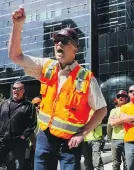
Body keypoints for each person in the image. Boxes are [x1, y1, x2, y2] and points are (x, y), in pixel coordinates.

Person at [9, 7, 107, 170]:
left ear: (75, 48)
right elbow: (15, 56)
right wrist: (17, 25)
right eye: (56, 41)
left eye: (64, 41)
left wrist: (82, 134)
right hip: (44, 139)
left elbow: (102, 110)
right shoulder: (46, 66)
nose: (58, 44)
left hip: (70, 143)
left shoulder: (86, 78)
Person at [0, 81, 37, 170]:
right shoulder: (5, 103)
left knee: (18, 166)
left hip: (18, 142)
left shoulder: (29, 106)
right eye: (14, 88)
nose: (16, 90)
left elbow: (32, 123)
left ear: (23, 90)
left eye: (19, 88)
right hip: (2, 140)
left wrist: (23, 136)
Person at [108, 90, 128, 170]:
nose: (120, 97)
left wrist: (118, 120)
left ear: (126, 98)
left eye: (123, 96)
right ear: (116, 99)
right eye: (118, 96)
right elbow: (112, 123)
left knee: (127, 163)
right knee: (116, 163)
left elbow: (133, 121)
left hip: (127, 139)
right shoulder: (113, 111)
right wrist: (126, 120)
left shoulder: (130, 109)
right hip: (115, 139)